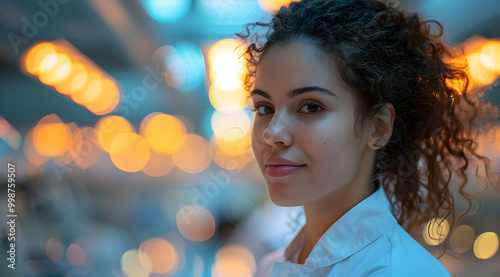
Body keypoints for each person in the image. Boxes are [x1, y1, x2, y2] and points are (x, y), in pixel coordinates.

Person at [235, 0, 500, 276]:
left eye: (311, 106)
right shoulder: (270, 266)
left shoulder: (401, 271)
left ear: (379, 127)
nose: (271, 133)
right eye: (265, 108)